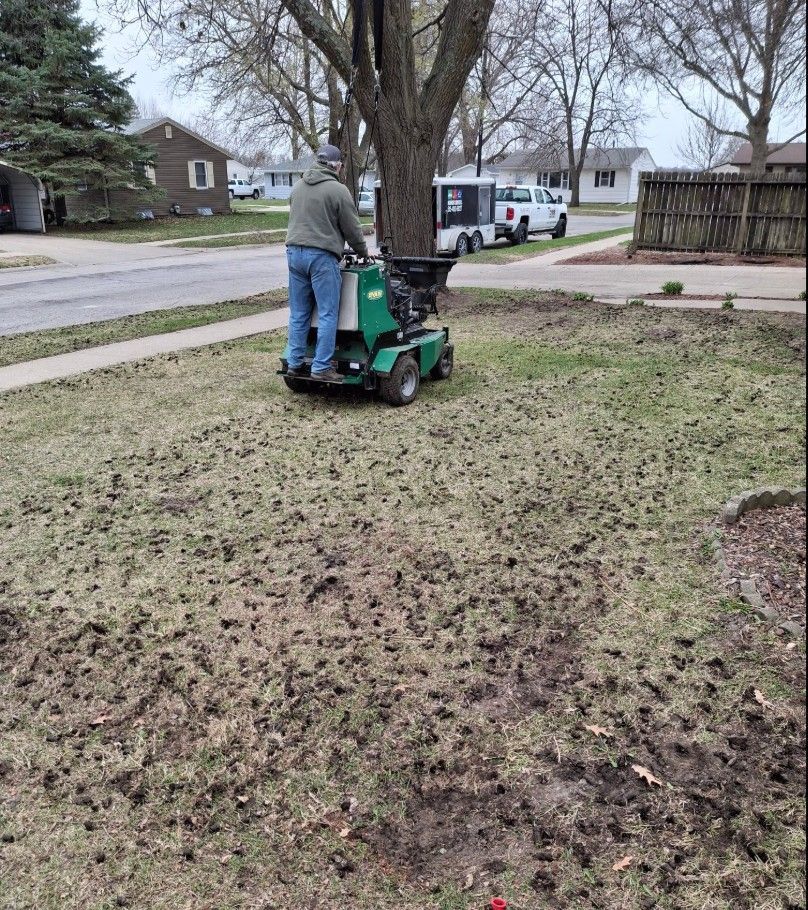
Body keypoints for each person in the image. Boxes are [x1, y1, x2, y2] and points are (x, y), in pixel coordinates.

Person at [285, 144, 369, 383]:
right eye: (342, 165)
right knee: (327, 313)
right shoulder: (338, 190)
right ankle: (321, 367)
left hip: (293, 254)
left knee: (299, 313)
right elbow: (352, 229)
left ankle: (295, 363)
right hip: (321, 257)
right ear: (337, 165)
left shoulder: (298, 186)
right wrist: (363, 252)